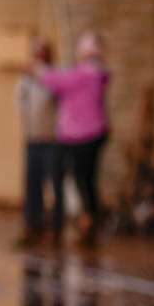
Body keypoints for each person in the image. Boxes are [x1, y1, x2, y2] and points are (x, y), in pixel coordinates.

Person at [37, 31, 109, 246]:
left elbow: (55, 80)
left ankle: (82, 220)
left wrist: (40, 68)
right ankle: (86, 218)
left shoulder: (86, 75)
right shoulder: (96, 74)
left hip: (80, 135)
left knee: (77, 178)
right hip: (89, 133)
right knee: (86, 179)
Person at [17, 38, 64, 246]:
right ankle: (32, 225)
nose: (39, 60)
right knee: (32, 184)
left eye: (43, 54)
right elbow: (21, 105)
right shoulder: (26, 83)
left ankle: (55, 227)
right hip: (33, 139)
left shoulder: (55, 79)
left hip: (53, 140)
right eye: (36, 55)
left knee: (53, 185)